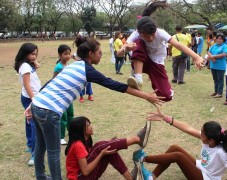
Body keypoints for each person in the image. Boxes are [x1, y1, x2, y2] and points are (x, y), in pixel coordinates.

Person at [24, 36, 164, 180]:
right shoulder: (86, 69)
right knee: (53, 152)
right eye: (99, 52)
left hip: (38, 105)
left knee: (41, 146)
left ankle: (40, 177)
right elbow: (113, 84)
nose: (101, 54)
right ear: (90, 54)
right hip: (49, 111)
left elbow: (50, 83)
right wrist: (145, 96)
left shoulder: (74, 64)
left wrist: (31, 105)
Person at [116, 0, 204, 101]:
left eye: (152, 35)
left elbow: (179, 45)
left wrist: (196, 57)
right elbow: (118, 53)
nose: (150, 38)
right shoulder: (136, 34)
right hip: (142, 60)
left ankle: (145, 79)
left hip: (156, 63)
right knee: (138, 43)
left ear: (155, 30)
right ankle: (138, 78)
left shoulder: (161, 33)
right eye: (146, 36)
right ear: (140, 33)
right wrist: (125, 49)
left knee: (166, 97)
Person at [132, 109, 227, 180]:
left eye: (202, 134)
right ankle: (151, 178)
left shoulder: (221, 151)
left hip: (207, 178)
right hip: (201, 168)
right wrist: (166, 118)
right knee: (174, 148)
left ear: (210, 140)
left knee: (178, 156)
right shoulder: (211, 139)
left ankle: (143, 158)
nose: (200, 135)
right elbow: (188, 128)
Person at [65, 116, 151, 180]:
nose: (91, 126)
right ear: (81, 130)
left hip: (85, 176)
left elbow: (91, 156)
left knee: (108, 151)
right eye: (88, 125)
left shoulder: (85, 141)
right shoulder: (78, 145)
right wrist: (101, 154)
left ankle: (130, 178)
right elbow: (86, 171)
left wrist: (108, 144)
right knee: (100, 147)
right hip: (79, 178)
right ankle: (137, 139)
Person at [14, 43, 41, 166]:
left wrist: (34, 63)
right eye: (32, 54)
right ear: (25, 53)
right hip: (30, 98)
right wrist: (34, 99)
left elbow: (36, 67)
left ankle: (30, 144)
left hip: (29, 97)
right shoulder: (25, 66)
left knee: (29, 121)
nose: (34, 56)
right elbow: (27, 84)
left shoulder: (26, 65)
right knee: (34, 124)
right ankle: (35, 154)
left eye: (35, 54)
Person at [53, 45, 74, 145]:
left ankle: (72, 133)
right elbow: (54, 81)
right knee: (63, 117)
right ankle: (61, 136)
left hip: (69, 95)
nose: (68, 56)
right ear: (59, 55)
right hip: (61, 96)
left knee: (71, 115)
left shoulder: (69, 65)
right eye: (65, 54)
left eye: (69, 54)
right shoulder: (58, 67)